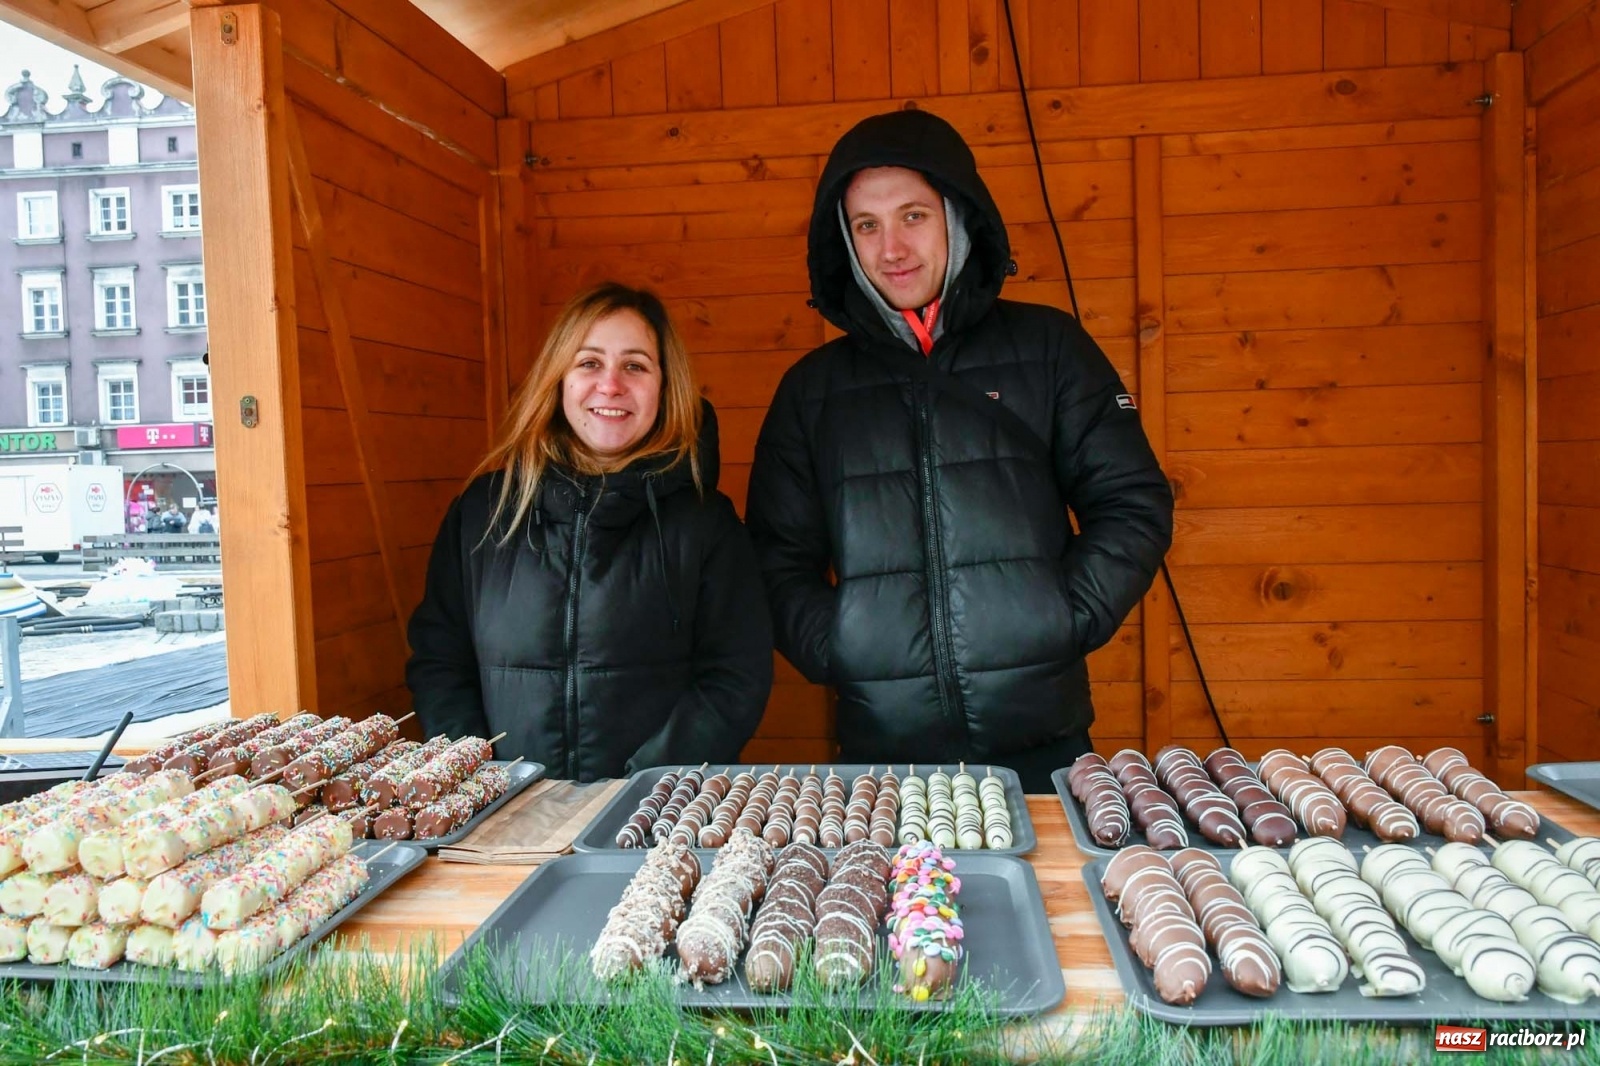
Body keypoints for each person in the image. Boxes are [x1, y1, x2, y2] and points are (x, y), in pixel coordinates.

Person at [745, 109, 1174, 793]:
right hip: (877, 761)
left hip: (1044, 747)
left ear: (957, 216)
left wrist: (1061, 619)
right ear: (845, 243)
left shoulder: (1050, 349)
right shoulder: (812, 392)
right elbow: (774, 557)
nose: (892, 248)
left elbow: (1133, 503)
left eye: (913, 215)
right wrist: (840, 646)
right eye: (867, 225)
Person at [406, 282, 774, 781]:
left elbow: (735, 678)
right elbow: (440, 659)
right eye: (589, 363)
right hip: (507, 821)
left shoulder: (707, 524)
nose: (611, 385)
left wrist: (641, 789)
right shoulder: (484, 512)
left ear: (666, 386)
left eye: (636, 365)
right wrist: (484, 779)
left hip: (655, 820)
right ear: (559, 379)